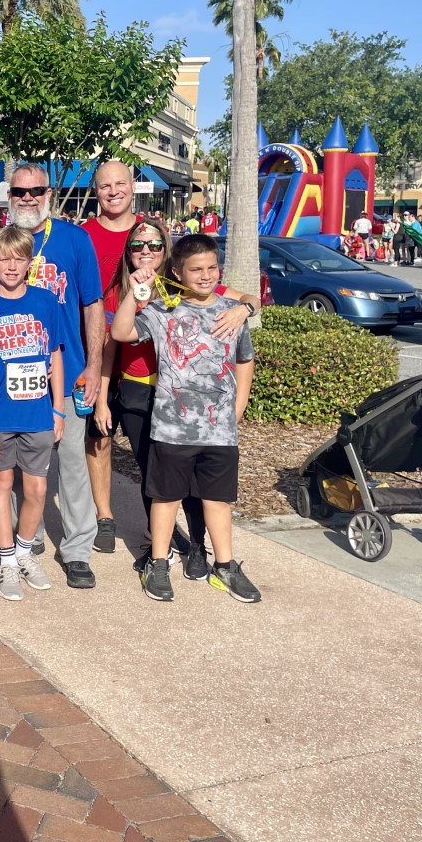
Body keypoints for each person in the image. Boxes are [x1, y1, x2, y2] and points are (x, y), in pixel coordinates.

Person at [94, 220, 257, 577]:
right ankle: (160, 551)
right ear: (129, 251)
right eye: (138, 245)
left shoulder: (187, 281)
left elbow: (246, 303)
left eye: (154, 245)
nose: (146, 251)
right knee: (159, 481)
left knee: (204, 489)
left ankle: (198, 549)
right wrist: (104, 394)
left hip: (197, 408)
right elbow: (116, 337)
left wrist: (246, 309)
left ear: (166, 253)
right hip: (145, 394)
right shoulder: (129, 289)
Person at [9, 163, 103, 588]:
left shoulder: (74, 239)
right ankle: (32, 537)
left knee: (71, 465)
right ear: (10, 195)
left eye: (36, 190)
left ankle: (79, 549)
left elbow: (93, 305)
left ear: (49, 193)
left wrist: (96, 366)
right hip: (15, 377)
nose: (27, 197)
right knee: (23, 464)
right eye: (19, 191)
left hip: (67, 372)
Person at [0, 225, 64, 601]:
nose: (12, 266)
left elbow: (55, 356)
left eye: (19, 259)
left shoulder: (45, 302)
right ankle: (7, 562)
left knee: (37, 488)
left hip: (39, 414)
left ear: (30, 262)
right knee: (1, 484)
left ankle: (25, 553)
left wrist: (58, 409)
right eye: (4, 259)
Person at [81, 161, 141, 553]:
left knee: (151, 447)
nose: (113, 191)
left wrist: (241, 302)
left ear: (133, 187)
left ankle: (161, 520)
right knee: (99, 439)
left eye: (120, 183)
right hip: (93, 358)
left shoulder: (149, 234)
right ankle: (104, 515)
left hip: (141, 360)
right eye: (106, 185)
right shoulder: (82, 235)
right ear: (96, 191)